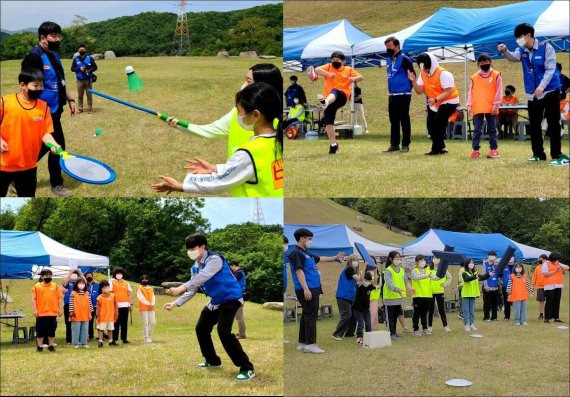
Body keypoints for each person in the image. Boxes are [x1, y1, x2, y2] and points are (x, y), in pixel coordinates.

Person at [152, 82, 283, 197]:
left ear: (255, 115)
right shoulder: (277, 141)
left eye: (239, 111)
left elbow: (221, 181)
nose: (237, 116)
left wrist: (180, 186)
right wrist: (215, 168)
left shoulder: (250, 151)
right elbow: (248, 169)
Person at [164, 233, 255, 381]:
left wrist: (181, 287)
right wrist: (175, 303)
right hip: (216, 300)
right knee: (201, 328)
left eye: (192, 248)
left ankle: (247, 368)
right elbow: (193, 289)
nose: (189, 252)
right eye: (188, 249)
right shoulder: (194, 268)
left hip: (231, 297)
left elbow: (204, 276)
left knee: (223, 332)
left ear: (202, 247)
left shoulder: (215, 259)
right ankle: (212, 360)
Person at [165, 64, 282, 160]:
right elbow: (209, 130)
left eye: (249, 81)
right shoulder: (237, 113)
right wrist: (179, 124)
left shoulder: (278, 121)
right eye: (244, 80)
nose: (243, 85)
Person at [498, 23, 568, 166]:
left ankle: (558, 155)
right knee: (534, 124)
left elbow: (550, 69)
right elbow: (512, 57)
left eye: (520, 37)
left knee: (553, 123)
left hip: (550, 91)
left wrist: (542, 86)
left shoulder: (546, 48)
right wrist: (505, 51)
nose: (518, 40)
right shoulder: (522, 49)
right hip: (532, 93)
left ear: (528, 35)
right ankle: (538, 154)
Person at [29, 21, 77, 196]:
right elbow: (28, 87)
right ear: (43, 38)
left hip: (55, 111)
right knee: (56, 146)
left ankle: (15, 171)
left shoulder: (54, 56)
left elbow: (60, 82)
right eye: (54, 36)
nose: (58, 39)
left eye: (59, 36)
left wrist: (70, 99)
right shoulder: (34, 57)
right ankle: (56, 184)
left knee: (47, 147)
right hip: (41, 113)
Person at [0, 65, 60, 197]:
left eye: (41, 86)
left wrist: (53, 144)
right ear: (23, 86)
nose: (39, 89)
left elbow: (45, 133)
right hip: (3, 165)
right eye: (35, 86)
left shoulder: (43, 107)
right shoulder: (5, 103)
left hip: (29, 166)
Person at [288, 228, 344, 353]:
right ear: (302, 238)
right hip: (308, 289)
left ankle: (303, 343)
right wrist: (306, 288)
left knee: (306, 315)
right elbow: (299, 271)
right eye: (309, 239)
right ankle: (311, 344)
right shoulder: (296, 253)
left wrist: (335, 257)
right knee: (311, 316)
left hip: (313, 288)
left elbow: (320, 258)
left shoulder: (305, 253)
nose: (311, 241)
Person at [408, 53, 459, 155]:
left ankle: (435, 149)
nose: (425, 70)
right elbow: (419, 91)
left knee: (438, 122)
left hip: (449, 101)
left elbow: (448, 91)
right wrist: (413, 81)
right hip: (435, 102)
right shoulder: (423, 73)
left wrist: (435, 99)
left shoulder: (443, 74)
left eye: (426, 68)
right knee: (430, 125)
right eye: (423, 68)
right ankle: (442, 147)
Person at [313, 51, 363, 154]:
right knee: (328, 122)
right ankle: (333, 145)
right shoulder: (329, 66)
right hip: (330, 99)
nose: (335, 62)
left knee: (335, 91)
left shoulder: (348, 69)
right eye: (333, 60)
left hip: (342, 96)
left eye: (337, 61)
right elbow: (316, 69)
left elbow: (361, 77)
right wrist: (328, 74)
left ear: (343, 61)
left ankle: (325, 102)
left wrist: (353, 79)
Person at [467, 54, 503, 159]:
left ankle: (494, 149)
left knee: (492, 129)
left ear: (490, 62)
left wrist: (496, 104)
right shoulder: (474, 77)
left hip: (491, 107)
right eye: (482, 62)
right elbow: (471, 92)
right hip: (477, 106)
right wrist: (469, 104)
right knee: (477, 129)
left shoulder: (496, 75)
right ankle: (475, 150)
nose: (484, 64)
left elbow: (499, 90)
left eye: (486, 61)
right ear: (478, 64)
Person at [384, 36, 415, 152]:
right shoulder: (388, 59)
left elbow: (413, 76)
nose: (388, 48)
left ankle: (406, 144)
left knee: (404, 119)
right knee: (393, 120)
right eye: (386, 47)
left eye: (390, 46)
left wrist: (407, 89)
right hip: (392, 94)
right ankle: (394, 144)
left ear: (397, 46)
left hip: (404, 93)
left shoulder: (405, 58)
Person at [382, 251, 414, 340]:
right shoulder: (388, 270)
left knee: (395, 315)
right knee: (390, 317)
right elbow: (389, 284)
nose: (398, 260)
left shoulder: (401, 269)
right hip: (389, 298)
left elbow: (406, 280)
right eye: (396, 258)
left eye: (399, 258)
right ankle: (390, 333)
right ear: (391, 259)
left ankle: (394, 332)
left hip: (398, 297)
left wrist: (410, 287)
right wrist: (398, 289)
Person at [32, 269, 63, 352]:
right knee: (40, 331)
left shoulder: (55, 286)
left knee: (51, 331)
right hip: (41, 314)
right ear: (42, 277)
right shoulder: (36, 286)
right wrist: (35, 310)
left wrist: (60, 309)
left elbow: (59, 299)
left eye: (50, 276)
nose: (48, 278)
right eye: (46, 276)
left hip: (52, 313)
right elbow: (34, 299)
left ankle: (51, 346)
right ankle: (39, 346)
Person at [331, 255, 359, 341]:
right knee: (347, 315)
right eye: (353, 260)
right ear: (350, 261)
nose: (355, 262)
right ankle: (336, 334)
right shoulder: (349, 270)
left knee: (353, 315)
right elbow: (358, 278)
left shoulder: (353, 271)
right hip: (343, 296)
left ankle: (349, 333)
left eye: (357, 260)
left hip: (350, 297)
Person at [461, 258, 492, 332]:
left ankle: (472, 324)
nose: (471, 264)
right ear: (467, 264)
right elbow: (466, 279)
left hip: (473, 294)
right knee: (466, 311)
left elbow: (482, 277)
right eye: (470, 263)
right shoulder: (464, 272)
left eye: (472, 262)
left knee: (471, 310)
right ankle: (466, 325)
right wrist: (475, 277)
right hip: (466, 294)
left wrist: (488, 274)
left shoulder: (475, 273)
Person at [410, 255, 436, 336]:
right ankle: (416, 329)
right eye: (420, 260)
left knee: (425, 313)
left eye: (423, 260)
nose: (422, 262)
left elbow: (435, 278)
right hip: (418, 295)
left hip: (427, 295)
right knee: (417, 313)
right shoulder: (414, 271)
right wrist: (427, 275)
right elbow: (416, 278)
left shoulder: (427, 271)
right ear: (416, 262)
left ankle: (425, 328)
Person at [542, 251, 569, 323]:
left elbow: (567, 267)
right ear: (553, 258)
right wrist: (555, 271)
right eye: (556, 259)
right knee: (549, 302)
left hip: (558, 285)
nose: (557, 260)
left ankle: (556, 318)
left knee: (557, 302)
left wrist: (563, 267)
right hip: (549, 286)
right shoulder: (546, 263)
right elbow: (544, 274)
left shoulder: (558, 263)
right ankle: (547, 318)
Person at [70, 44, 97, 113]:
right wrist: (79, 69)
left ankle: (89, 109)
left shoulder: (90, 58)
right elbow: (72, 69)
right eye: (81, 49)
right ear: (78, 50)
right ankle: (80, 108)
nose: (82, 50)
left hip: (88, 80)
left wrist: (89, 70)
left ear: (85, 50)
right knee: (80, 95)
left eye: (83, 49)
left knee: (89, 95)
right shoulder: (76, 59)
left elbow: (95, 67)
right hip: (79, 80)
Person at [428, 256, 452, 332]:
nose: (436, 260)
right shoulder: (428, 269)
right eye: (434, 258)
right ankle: (429, 326)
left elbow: (450, 277)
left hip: (440, 291)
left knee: (442, 310)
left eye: (438, 258)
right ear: (432, 259)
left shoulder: (443, 269)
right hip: (430, 292)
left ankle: (446, 326)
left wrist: (445, 284)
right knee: (431, 310)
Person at [109, 267, 132, 345]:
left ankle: (124, 338)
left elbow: (129, 294)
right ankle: (114, 339)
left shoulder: (126, 283)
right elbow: (110, 293)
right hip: (116, 305)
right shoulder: (111, 282)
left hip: (125, 305)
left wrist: (130, 304)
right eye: (118, 273)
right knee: (116, 322)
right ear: (115, 274)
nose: (119, 275)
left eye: (121, 273)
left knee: (124, 323)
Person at [69, 277, 92, 348]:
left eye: (83, 283)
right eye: (80, 283)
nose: (81, 285)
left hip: (85, 314)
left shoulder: (87, 293)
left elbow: (90, 304)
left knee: (85, 329)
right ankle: (76, 343)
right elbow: (71, 303)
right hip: (76, 315)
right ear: (76, 284)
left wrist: (90, 313)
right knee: (76, 329)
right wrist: (71, 312)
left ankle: (84, 343)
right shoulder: (73, 293)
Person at [354, 272, 376, 345]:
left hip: (366, 309)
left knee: (368, 324)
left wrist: (375, 271)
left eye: (369, 281)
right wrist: (364, 266)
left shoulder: (369, 287)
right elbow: (361, 280)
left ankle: (368, 337)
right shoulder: (360, 286)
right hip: (358, 309)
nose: (367, 282)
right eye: (366, 280)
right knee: (361, 324)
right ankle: (359, 337)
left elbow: (375, 282)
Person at [96, 279, 118, 348]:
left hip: (111, 316)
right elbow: (97, 308)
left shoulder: (113, 296)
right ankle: (100, 341)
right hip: (102, 317)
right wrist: (98, 315)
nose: (106, 289)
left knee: (110, 329)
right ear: (101, 289)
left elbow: (115, 306)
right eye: (104, 287)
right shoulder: (99, 297)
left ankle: (111, 341)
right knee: (101, 329)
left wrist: (116, 314)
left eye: (107, 287)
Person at [62, 269, 82, 344]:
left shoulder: (80, 283)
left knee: (78, 322)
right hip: (68, 305)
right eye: (73, 273)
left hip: (78, 305)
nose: (74, 274)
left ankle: (78, 339)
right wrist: (70, 272)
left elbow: (85, 281)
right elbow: (64, 282)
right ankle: (69, 339)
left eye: (75, 273)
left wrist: (79, 272)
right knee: (68, 323)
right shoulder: (68, 283)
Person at [230, 261, 247, 339]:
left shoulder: (238, 273)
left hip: (237, 296)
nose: (231, 268)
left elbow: (231, 282)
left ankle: (242, 334)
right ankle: (241, 332)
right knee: (237, 316)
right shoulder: (240, 272)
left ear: (233, 266)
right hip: (236, 295)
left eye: (231, 266)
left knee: (239, 316)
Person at [481, 251, 500, 321]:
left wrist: (498, 284)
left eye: (493, 256)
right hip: (487, 287)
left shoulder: (497, 265)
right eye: (490, 255)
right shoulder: (485, 264)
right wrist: (486, 286)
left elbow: (498, 275)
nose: (492, 257)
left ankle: (494, 317)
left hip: (495, 287)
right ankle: (486, 317)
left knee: (495, 303)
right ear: (488, 256)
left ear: (495, 257)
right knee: (487, 303)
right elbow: (483, 276)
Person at [137, 274, 156, 343]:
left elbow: (153, 297)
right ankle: (146, 337)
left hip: (151, 307)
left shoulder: (151, 288)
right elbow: (141, 298)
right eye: (143, 279)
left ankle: (149, 335)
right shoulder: (140, 288)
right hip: (144, 307)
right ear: (141, 280)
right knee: (145, 323)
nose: (145, 280)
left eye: (146, 279)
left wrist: (152, 304)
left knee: (153, 322)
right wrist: (148, 304)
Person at [532, 255, 548, 319]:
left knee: (549, 301)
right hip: (540, 287)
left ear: (545, 260)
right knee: (541, 301)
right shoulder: (537, 267)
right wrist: (532, 286)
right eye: (539, 259)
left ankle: (548, 314)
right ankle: (541, 314)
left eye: (541, 259)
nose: (540, 260)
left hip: (548, 286)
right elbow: (534, 277)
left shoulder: (549, 267)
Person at [84, 273, 99, 340]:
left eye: (90, 276)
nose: (89, 278)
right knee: (90, 321)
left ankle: (101, 335)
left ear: (92, 277)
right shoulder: (84, 286)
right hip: (88, 307)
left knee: (99, 321)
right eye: (87, 277)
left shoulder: (97, 285)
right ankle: (91, 335)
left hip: (97, 306)